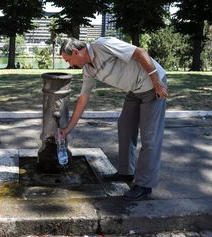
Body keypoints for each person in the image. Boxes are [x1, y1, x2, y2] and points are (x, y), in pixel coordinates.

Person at [59, 37, 168, 201]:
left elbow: (139, 52)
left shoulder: (102, 45)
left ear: (75, 52)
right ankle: (125, 173)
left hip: (153, 84)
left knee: (150, 136)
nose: (70, 65)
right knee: (124, 127)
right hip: (135, 90)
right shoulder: (89, 70)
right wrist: (67, 129)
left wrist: (156, 81)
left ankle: (144, 185)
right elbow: (83, 99)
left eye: (69, 60)